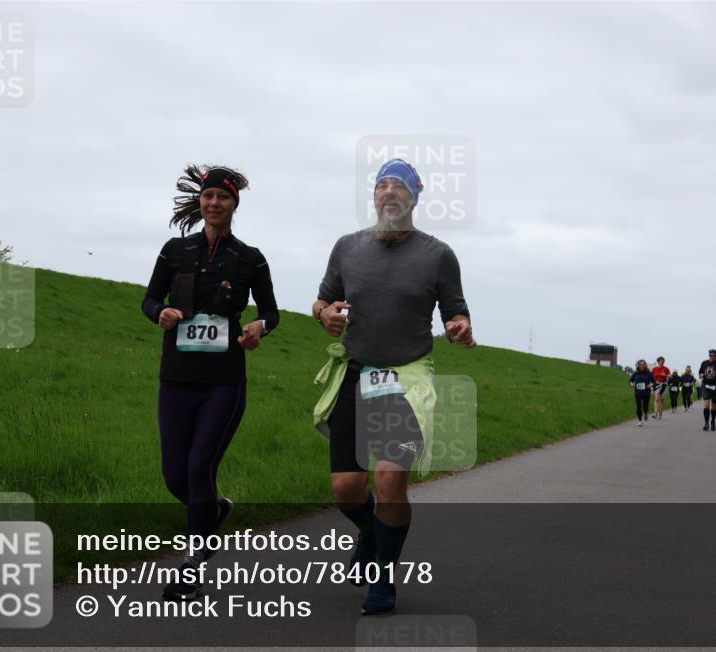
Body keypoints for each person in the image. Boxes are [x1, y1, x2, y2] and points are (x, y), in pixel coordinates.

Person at [312, 158, 474, 615]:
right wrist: (323, 313)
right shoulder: (347, 247)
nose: (388, 193)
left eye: (398, 187)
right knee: (346, 488)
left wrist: (460, 326)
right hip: (357, 372)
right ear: (374, 196)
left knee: (389, 479)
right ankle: (371, 530)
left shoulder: (437, 254)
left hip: (405, 376)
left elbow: (456, 310)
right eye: (381, 185)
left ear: (414, 197)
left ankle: (382, 580)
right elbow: (321, 299)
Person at [142, 164, 279, 601]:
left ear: (234, 203)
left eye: (223, 197)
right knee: (175, 477)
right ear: (200, 202)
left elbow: (271, 312)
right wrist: (158, 313)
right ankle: (216, 513)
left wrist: (259, 327)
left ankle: (192, 565)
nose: (214, 203)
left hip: (223, 383)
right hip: (176, 378)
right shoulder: (174, 250)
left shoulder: (250, 258)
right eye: (208, 197)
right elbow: (149, 298)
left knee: (201, 468)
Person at [698, 349, 716, 431]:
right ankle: (706, 423)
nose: (712, 357)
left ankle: (713, 421)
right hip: (706, 386)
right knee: (706, 405)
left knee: (714, 407)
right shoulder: (704, 363)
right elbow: (700, 372)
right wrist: (701, 375)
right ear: (709, 355)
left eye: (714, 356)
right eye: (711, 355)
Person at [629, 360, 654, 426]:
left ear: (645, 365)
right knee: (638, 406)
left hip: (646, 392)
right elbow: (630, 380)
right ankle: (640, 420)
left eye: (643, 364)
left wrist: (650, 385)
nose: (642, 365)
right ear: (638, 365)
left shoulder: (649, 373)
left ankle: (645, 413)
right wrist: (631, 384)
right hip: (638, 392)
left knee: (645, 407)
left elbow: (654, 381)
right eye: (640, 364)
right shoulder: (635, 373)